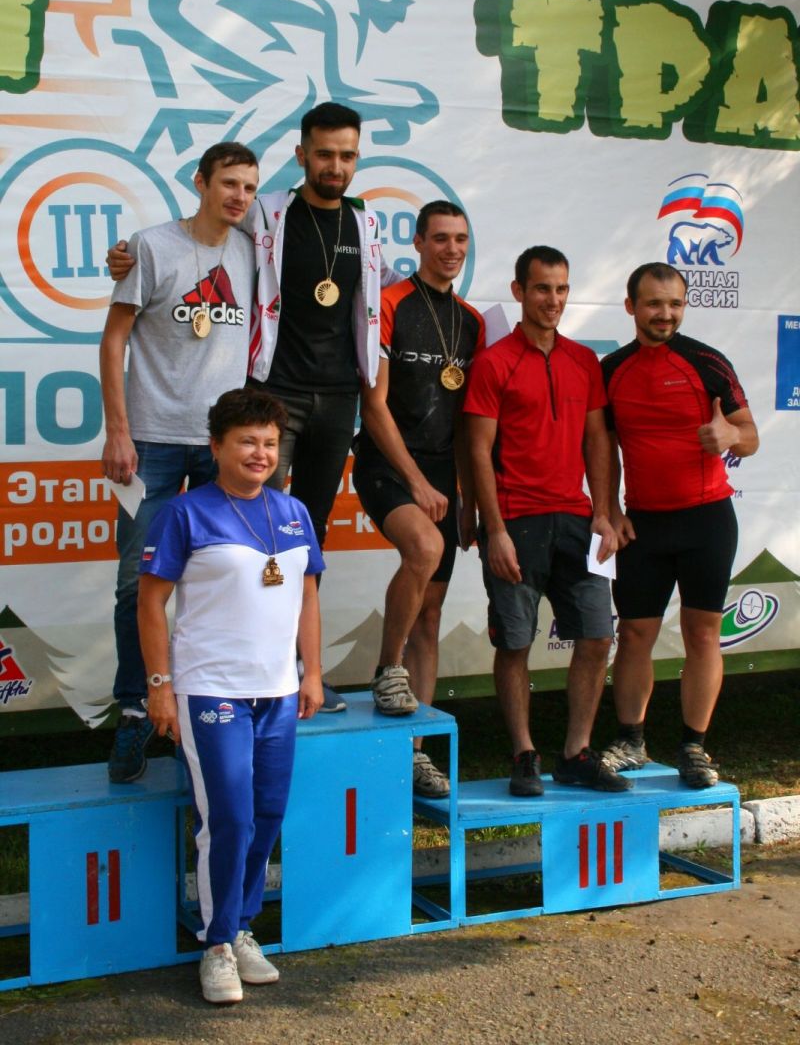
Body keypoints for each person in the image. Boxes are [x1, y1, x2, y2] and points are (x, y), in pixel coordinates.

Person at [109, 102, 397, 712]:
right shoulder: (265, 215)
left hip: (328, 402)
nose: (335, 165)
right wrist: (125, 256)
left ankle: (286, 673)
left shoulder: (364, 225)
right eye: (324, 154)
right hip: (262, 402)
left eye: (347, 155)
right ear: (301, 155)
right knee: (196, 559)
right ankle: (158, 699)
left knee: (295, 544)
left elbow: (379, 295)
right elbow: (194, 234)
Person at [138, 386, 323, 1004]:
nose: (260, 453)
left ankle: (241, 927)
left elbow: (308, 596)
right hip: (210, 690)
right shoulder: (185, 513)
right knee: (228, 818)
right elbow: (150, 603)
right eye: (247, 441)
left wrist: (312, 673)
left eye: (269, 443)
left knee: (267, 814)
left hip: (278, 691)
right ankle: (216, 945)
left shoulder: (293, 512)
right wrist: (160, 687)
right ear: (216, 446)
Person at [100, 141, 259, 782]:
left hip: (224, 444)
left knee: (228, 576)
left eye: (249, 187)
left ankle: (212, 706)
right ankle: (135, 710)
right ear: (200, 182)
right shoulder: (150, 246)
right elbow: (113, 340)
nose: (239, 197)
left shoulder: (254, 253)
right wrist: (118, 431)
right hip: (152, 443)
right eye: (228, 183)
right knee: (137, 583)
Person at [465, 246, 632, 797]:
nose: (553, 300)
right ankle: (524, 754)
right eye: (541, 288)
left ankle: (576, 753)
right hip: (517, 521)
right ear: (519, 292)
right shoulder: (494, 362)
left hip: (577, 521)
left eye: (561, 289)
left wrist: (604, 511)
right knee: (515, 643)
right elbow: (478, 450)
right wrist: (494, 530)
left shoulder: (584, 361)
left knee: (597, 635)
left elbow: (597, 440)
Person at [600, 262, 759, 789]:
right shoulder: (612, 369)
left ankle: (694, 747)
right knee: (634, 633)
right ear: (631, 307)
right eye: (653, 303)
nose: (664, 314)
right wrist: (610, 508)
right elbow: (602, 448)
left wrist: (729, 436)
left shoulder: (707, 362)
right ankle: (630, 741)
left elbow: (750, 435)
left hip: (707, 520)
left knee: (703, 633)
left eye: (674, 304)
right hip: (643, 524)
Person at [353, 201, 484, 797]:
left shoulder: (472, 322)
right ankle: (387, 670)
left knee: (430, 616)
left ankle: (414, 753)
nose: (451, 249)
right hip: (387, 462)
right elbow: (373, 403)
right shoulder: (390, 304)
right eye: (440, 238)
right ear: (419, 242)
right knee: (424, 548)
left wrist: (466, 498)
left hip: (440, 473)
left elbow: (465, 422)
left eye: (460, 239)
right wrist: (416, 481)